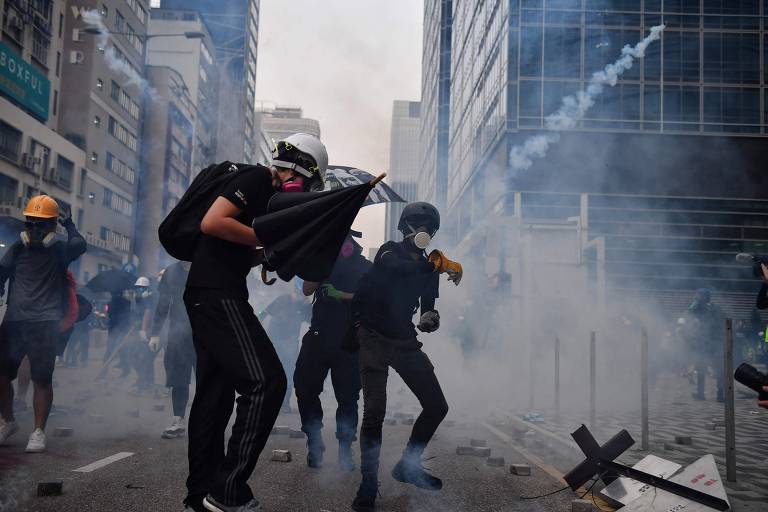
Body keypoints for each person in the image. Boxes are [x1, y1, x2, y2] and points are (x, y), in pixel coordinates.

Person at [183, 133, 328, 512]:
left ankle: (199, 497)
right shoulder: (257, 179)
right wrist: (266, 245)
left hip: (210, 292)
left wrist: (263, 256)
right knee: (268, 381)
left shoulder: (264, 193)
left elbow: (236, 245)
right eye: (307, 184)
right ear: (301, 169)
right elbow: (213, 223)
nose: (303, 191)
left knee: (213, 399)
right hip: (216, 295)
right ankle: (229, 490)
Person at [350, 202, 462, 512]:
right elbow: (394, 270)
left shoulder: (431, 265)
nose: (423, 229)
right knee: (375, 412)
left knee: (437, 406)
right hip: (372, 336)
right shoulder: (389, 251)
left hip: (404, 339)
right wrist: (434, 265)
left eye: (428, 225)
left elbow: (428, 303)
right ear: (405, 227)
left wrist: (430, 317)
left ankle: (408, 466)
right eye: (418, 223)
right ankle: (368, 485)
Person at [0, 195, 86, 452]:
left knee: (41, 379)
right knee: (1, 375)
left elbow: (79, 245)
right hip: (14, 321)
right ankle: (8, 421)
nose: (35, 230)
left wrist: (69, 224)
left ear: (52, 226)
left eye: (42, 224)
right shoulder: (16, 249)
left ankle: (38, 432)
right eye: (31, 223)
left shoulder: (60, 250)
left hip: (45, 323)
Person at [294, 230, 371, 471]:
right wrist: (323, 264)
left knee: (348, 398)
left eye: (344, 240)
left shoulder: (363, 264)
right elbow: (306, 289)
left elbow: (373, 297)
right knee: (304, 388)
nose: (342, 246)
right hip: (319, 335)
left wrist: (343, 295)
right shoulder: (322, 259)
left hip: (349, 341)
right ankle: (314, 441)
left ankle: (345, 450)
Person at [149, 261, 196, 439]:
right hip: (178, 334)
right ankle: (178, 420)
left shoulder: (206, 263)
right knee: (178, 378)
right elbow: (163, 304)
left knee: (207, 379)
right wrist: (155, 333)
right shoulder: (171, 271)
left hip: (205, 332)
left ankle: (209, 420)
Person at [258, 286, 311, 413]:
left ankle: (284, 404)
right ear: (294, 293)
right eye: (299, 295)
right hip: (274, 341)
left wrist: (308, 306)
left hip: (291, 343)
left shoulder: (303, 306)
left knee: (288, 372)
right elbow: (263, 313)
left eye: (303, 296)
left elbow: (312, 320)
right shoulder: (282, 300)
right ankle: (268, 401)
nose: (301, 297)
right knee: (270, 372)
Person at [686, 288, 725, 402]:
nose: (696, 296)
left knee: (702, 368)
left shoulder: (699, 307)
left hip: (704, 343)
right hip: (716, 342)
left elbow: (690, 311)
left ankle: (701, 394)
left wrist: (695, 300)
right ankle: (720, 395)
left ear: (703, 296)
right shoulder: (716, 307)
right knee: (718, 370)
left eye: (698, 295)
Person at [128, 276, 156, 393]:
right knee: (134, 356)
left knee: (145, 357)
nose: (139, 290)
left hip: (148, 332)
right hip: (138, 331)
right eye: (138, 287)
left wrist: (144, 331)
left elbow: (147, 314)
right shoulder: (137, 299)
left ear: (147, 288)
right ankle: (146, 380)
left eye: (142, 288)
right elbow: (135, 315)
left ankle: (143, 383)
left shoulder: (150, 298)